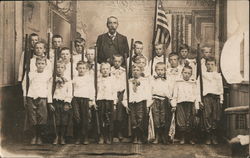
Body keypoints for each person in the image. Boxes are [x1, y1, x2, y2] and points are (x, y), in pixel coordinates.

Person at [22, 56, 52, 144]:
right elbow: (24, 85)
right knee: (32, 116)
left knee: (42, 116)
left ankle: (39, 136)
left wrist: (49, 101)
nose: (40, 65)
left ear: (46, 65)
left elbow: (49, 88)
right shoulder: (30, 74)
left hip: (42, 97)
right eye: (38, 63)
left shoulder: (48, 75)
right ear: (35, 64)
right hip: (31, 96)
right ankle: (34, 136)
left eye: (42, 64)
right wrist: (25, 97)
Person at [122, 64, 152, 144]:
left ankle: (140, 137)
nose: (136, 72)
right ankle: (134, 136)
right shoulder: (129, 82)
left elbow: (148, 94)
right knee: (133, 120)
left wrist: (148, 105)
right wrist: (126, 105)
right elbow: (126, 95)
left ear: (141, 71)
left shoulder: (144, 81)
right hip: (132, 103)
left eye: (138, 70)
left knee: (140, 119)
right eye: (134, 70)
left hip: (141, 103)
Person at [171, 65, 200, 145]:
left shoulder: (193, 83)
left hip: (190, 103)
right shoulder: (178, 82)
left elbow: (196, 94)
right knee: (181, 120)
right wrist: (174, 105)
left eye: (188, 73)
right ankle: (182, 137)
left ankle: (190, 138)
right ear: (182, 73)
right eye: (185, 72)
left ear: (191, 74)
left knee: (190, 120)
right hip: (180, 103)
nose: (186, 75)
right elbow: (175, 94)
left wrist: (196, 106)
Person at [200, 57, 223, 145]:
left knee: (215, 117)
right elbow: (199, 88)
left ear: (215, 65)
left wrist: (221, 100)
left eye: (212, 64)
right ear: (205, 65)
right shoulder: (203, 75)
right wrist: (199, 101)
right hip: (207, 98)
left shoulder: (217, 76)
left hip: (216, 98)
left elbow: (221, 89)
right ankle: (208, 136)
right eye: (208, 64)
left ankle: (214, 136)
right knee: (207, 116)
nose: (210, 66)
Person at [49, 61, 73, 145]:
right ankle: (56, 136)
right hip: (55, 101)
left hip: (64, 102)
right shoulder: (52, 79)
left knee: (64, 120)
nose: (59, 69)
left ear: (65, 69)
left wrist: (67, 102)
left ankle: (62, 137)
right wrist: (50, 102)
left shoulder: (68, 80)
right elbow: (49, 91)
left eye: (61, 67)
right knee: (56, 120)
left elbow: (70, 91)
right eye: (58, 67)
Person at [72, 61, 95, 145]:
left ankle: (85, 137)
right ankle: (78, 137)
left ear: (87, 69)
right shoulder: (74, 78)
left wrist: (91, 100)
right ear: (77, 69)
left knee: (85, 118)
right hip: (76, 99)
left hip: (85, 99)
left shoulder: (89, 78)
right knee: (77, 118)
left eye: (83, 68)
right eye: (80, 68)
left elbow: (92, 90)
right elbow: (72, 89)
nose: (81, 70)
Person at [150, 62, 173, 144]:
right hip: (155, 100)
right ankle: (157, 137)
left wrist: (170, 100)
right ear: (155, 70)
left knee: (163, 118)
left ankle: (164, 137)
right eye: (158, 70)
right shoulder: (152, 79)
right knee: (156, 118)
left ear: (165, 70)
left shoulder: (167, 80)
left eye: (162, 70)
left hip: (164, 101)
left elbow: (169, 91)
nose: (160, 72)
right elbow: (150, 90)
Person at [96, 62, 118, 144]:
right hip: (100, 101)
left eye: (107, 69)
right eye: (103, 69)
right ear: (100, 70)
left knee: (109, 119)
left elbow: (114, 91)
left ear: (110, 70)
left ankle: (109, 136)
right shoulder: (98, 79)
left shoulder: (112, 79)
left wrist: (114, 103)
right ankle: (101, 136)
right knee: (101, 119)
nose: (105, 71)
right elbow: (96, 91)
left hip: (109, 101)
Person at [110, 54, 126, 141]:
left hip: (121, 93)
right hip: (112, 93)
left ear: (122, 62)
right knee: (112, 112)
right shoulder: (109, 70)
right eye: (115, 61)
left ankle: (119, 131)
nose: (117, 63)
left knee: (120, 112)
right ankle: (112, 132)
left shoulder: (124, 71)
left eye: (119, 61)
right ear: (112, 61)